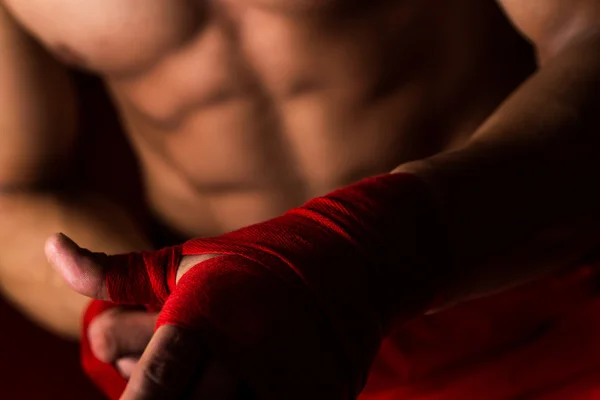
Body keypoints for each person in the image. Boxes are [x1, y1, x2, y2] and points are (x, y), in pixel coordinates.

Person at [1, 0, 600, 398]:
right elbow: (13, 186)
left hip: (524, 290)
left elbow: (586, 29)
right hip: (237, 362)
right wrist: (141, 307)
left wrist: (364, 253)